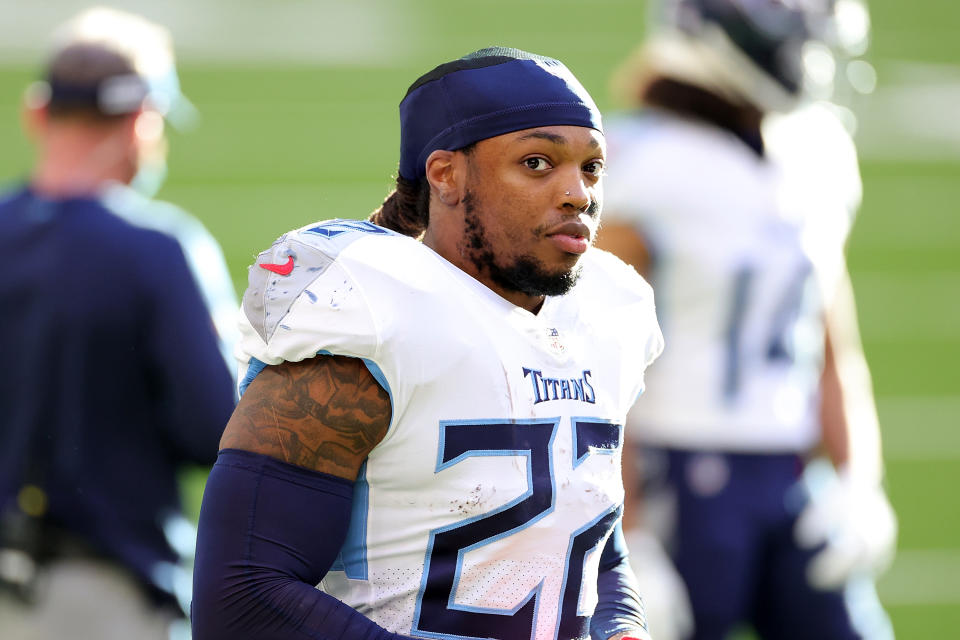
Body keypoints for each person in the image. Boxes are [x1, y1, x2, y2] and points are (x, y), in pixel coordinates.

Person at [191, 47, 663, 640]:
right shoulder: (372, 312)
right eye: (538, 163)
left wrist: (622, 627)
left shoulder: (609, 309)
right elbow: (242, 596)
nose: (578, 194)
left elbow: (580, 536)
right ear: (446, 175)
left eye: (591, 168)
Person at [595, 1, 896, 639]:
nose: (806, 60)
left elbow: (831, 338)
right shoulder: (640, 160)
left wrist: (858, 480)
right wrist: (628, 532)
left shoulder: (818, 151)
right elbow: (599, 365)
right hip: (679, 471)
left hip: (792, 475)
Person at [0, 7, 237, 639]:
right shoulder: (157, 249)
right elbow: (215, 428)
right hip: (103, 594)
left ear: (37, 112)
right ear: (142, 121)